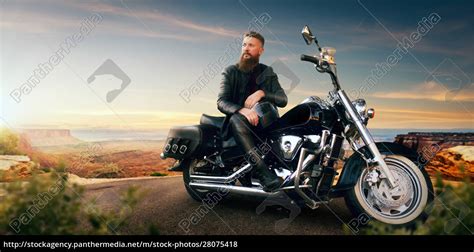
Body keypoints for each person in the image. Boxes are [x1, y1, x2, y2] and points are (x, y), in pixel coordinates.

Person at [217, 31, 288, 192]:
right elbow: (221, 102)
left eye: (251, 45)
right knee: (237, 119)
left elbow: (283, 100)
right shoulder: (230, 72)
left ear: (260, 50)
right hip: (237, 124)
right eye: (244, 45)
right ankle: (264, 175)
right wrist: (241, 110)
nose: (246, 49)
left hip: (265, 123)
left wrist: (263, 93)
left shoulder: (267, 72)